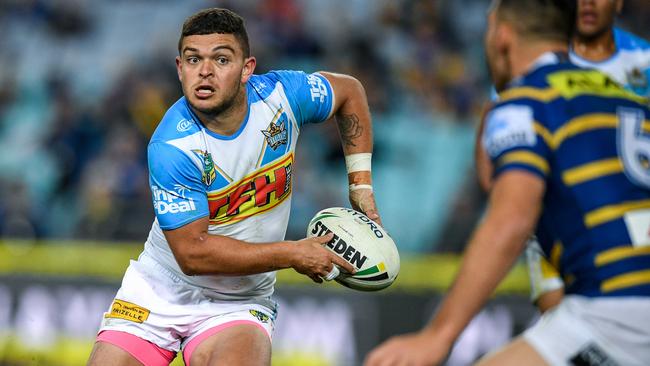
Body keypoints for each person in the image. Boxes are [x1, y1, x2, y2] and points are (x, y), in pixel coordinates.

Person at [87, 8, 381, 366]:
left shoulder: (283, 98)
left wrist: (360, 184)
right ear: (180, 68)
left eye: (221, 59)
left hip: (238, 301)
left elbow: (350, 91)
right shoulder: (172, 146)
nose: (205, 71)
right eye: (193, 59)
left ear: (247, 69)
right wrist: (293, 254)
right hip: (159, 288)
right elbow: (193, 255)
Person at [366, 0, 650, 365]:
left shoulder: (526, 102)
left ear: (501, 36)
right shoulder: (621, 95)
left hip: (618, 303)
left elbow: (510, 219)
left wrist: (438, 336)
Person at [477, 0, 650, 313]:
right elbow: (493, 163)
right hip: (556, 222)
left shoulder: (644, 61)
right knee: (560, 323)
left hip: (632, 225)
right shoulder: (532, 60)